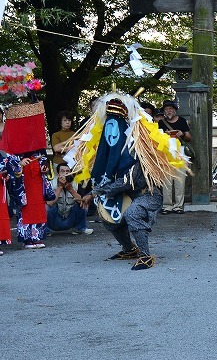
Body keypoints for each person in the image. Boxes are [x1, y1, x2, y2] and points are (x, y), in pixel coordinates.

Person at [70, 92, 190, 270]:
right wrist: (92, 194)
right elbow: (105, 177)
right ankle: (129, 249)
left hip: (146, 194)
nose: (111, 130)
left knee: (132, 214)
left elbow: (127, 181)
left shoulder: (136, 148)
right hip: (122, 194)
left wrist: (94, 193)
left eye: (115, 125)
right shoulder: (106, 151)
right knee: (107, 216)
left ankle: (145, 255)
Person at [158, 99, 191, 214]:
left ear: (175, 110)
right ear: (164, 111)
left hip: (180, 153)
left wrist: (182, 133)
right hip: (166, 154)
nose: (169, 111)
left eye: (171, 108)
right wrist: (164, 135)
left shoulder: (181, 121)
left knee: (180, 180)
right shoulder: (161, 123)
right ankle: (166, 206)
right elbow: (157, 138)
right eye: (166, 109)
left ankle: (178, 206)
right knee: (166, 181)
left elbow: (189, 137)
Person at [46, 163, 93, 235]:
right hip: (55, 220)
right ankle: (46, 231)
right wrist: (60, 187)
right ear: (58, 174)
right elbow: (50, 203)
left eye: (67, 171)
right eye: (62, 171)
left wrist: (71, 190)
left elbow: (82, 200)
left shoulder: (76, 183)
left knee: (83, 205)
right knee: (46, 207)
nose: (65, 174)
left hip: (70, 218)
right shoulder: (51, 183)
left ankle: (80, 228)